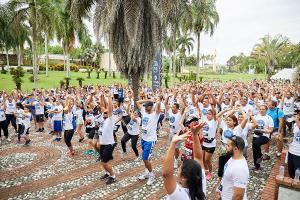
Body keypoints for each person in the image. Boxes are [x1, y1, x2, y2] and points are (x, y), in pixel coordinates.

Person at [163, 121, 206, 200]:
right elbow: (199, 158)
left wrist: (173, 143)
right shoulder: (200, 182)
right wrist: (195, 134)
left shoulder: (181, 196)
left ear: (184, 178)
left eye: (179, 169)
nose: (177, 171)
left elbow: (167, 175)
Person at [136, 98, 161, 185]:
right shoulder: (143, 111)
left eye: (147, 106)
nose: (145, 108)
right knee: (147, 158)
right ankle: (147, 173)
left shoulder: (155, 114)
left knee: (145, 158)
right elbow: (137, 102)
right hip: (144, 139)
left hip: (150, 140)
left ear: (151, 107)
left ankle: (152, 176)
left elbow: (158, 107)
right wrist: (147, 100)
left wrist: (157, 101)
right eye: (145, 106)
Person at [220, 136, 249, 200]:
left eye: (228, 145)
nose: (225, 147)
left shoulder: (240, 169)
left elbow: (238, 196)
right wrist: (220, 190)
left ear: (235, 149)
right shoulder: (233, 158)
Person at [99, 90, 117, 185]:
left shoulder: (110, 119)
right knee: (102, 162)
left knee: (105, 162)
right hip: (102, 144)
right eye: (104, 112)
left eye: (106, 112)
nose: (104, 112)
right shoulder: (104, 119)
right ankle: (107, 173)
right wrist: (102, 96)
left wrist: (109, 97)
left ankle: (113, 176)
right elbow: (102, 106)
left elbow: (109, 108)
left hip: (108, 144)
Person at [252, 105, 274, 170]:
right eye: (260, 109)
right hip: (256, 134)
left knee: (255, 144)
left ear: (266, 110)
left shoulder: (269, 118)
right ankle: (257, 166)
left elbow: (271, 130)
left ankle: (260, 156)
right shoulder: (256, 116)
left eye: (263, 109)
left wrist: (263, 131)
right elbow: (252, 125)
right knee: (254, 150)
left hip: (265, 136)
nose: (261, 110)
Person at [288, 109, 300, 179]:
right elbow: (294, 136)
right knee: (291, 172)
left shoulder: (297, 122)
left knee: (298, 174)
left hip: (299, 153)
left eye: (298, 114)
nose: (297, 115)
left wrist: (297, 120)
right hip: (292, 151)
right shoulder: (295, 124)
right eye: (297, 114)